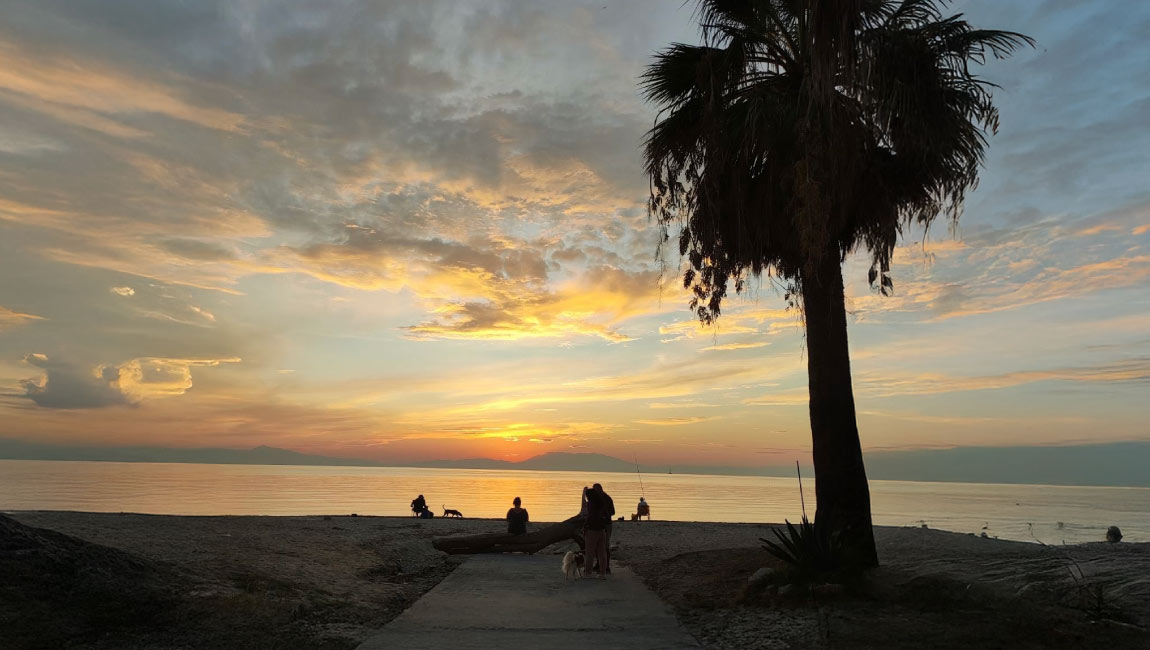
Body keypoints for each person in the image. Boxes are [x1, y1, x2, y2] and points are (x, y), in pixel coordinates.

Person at [582, 487, 610, 578]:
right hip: (602, 530)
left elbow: (583, 508)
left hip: (592, 530)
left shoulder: (590, 505)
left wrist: (582, 494)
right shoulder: (601, 504)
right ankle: (603, 573)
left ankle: (588, 572)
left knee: (590, 552)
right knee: (602, 553)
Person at [592, 483, 615, 573]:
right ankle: (598, 564)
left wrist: (605, 516)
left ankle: (607, 566)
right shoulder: (595, 499)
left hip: (606, 524)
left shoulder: (607, 499)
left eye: (596, 490)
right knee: (598, 545)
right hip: (598, 524)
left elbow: (613, 512)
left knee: (605, 546)